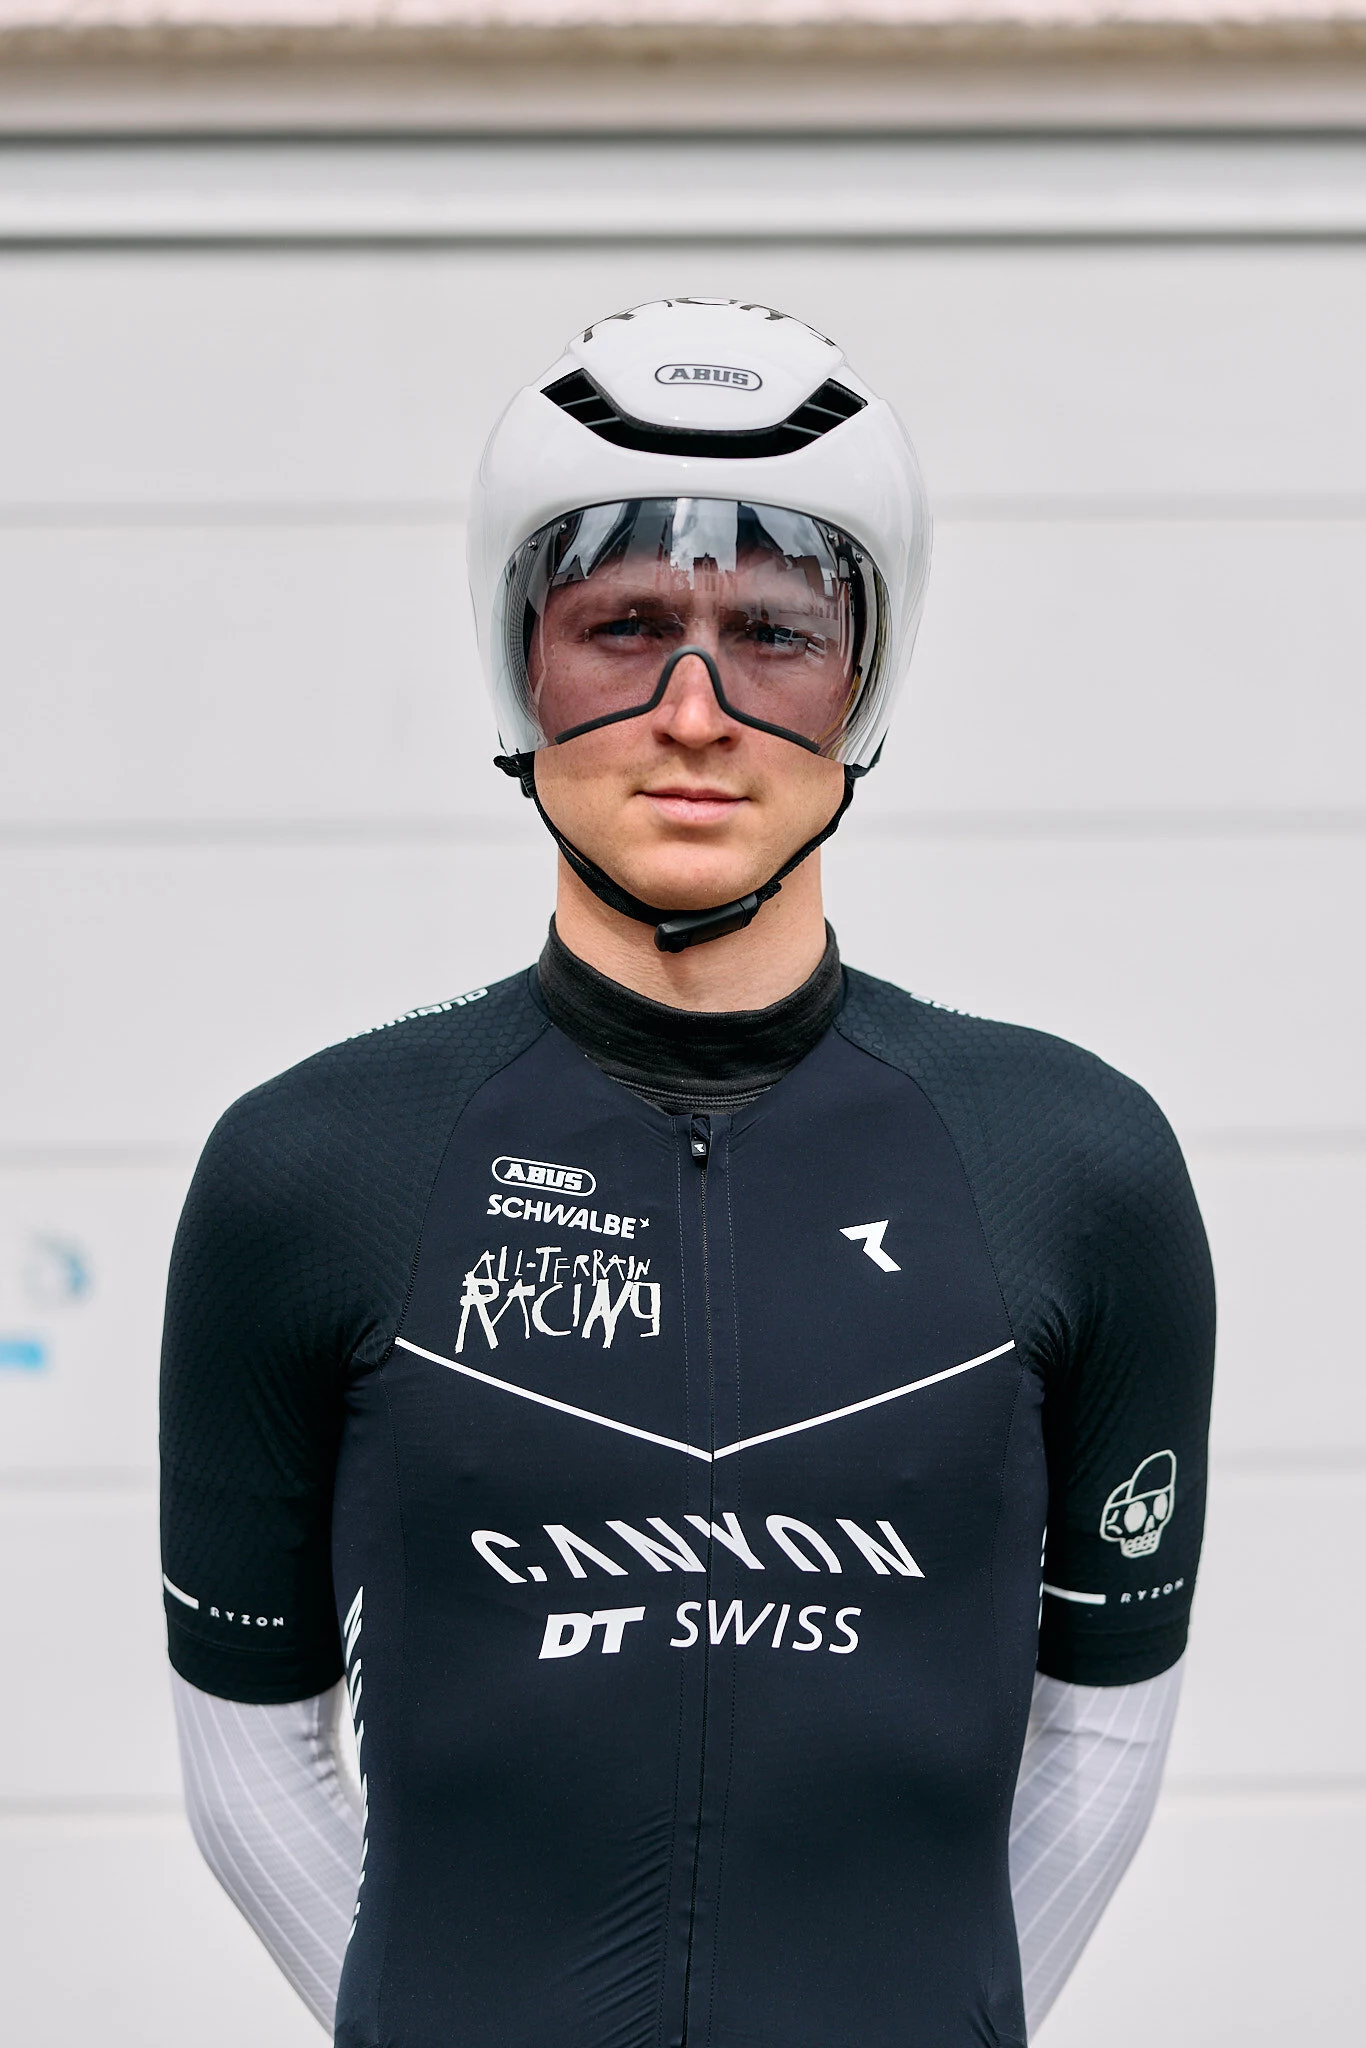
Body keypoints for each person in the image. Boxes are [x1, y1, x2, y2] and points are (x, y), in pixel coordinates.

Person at [160, 298, 1215, 2048]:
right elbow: (244, 1768)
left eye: (774, 634)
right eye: (625, 628)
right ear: (521, 665)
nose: (695, 712)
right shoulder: (312, 1168)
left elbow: (1101, 1739)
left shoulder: (1073, 1163)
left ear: (865, 679)